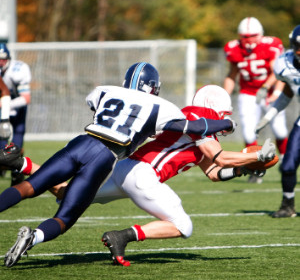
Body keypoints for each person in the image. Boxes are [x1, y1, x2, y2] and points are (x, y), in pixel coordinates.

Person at [0, 85, 276, 267]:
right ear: (215, 107)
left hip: (125, 170)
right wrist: (257, 156)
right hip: (143, 176)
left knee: (64, 193)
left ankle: (23, 164)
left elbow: (215, 172)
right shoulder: (200, 117)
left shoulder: (198, 126)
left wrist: (242, 168)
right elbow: (221, 156)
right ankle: (124, 236)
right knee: (183, 226)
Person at [223, 17, 288, 184]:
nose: (249, 40)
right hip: (248, 92)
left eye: (252, 36)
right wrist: (223, 97)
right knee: (248, 131)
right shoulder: (234, 48)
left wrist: (266, 87)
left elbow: (278, 72)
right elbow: (232, 74)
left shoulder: (271, 45)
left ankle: (286, 161)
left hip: (271, 90)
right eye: (245, 36)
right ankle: (254, 167)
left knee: (280, 130)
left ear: (260, 35)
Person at [255, 25, 300, 218]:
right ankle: (287, 205)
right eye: (298, 46)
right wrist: (269, 115)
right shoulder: (285, 64)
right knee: (288, 165)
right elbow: (289, 91)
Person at [0, 43, 31, 186]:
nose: (0, 63)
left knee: (16, 144)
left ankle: (17, 172)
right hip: (2, 108)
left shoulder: (18, 70)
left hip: (16, 107)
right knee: (1, 144)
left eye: (2, 59)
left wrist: (6, 104)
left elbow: (26, 98)